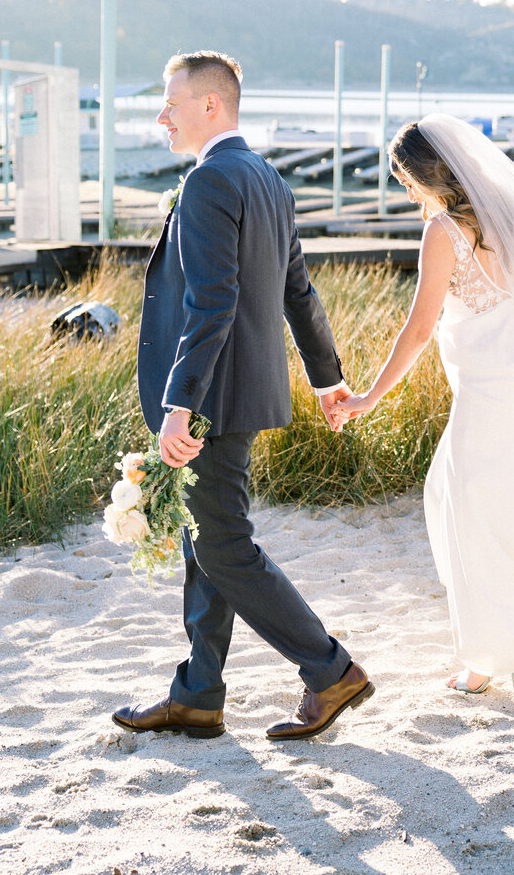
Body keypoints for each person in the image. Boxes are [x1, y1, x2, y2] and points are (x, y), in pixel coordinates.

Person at [112, 50, 374, 741]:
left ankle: (330, 670)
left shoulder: (207, 183)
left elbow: (213, 301)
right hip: (243, 392)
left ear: (211, 106)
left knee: (224, 544)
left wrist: (179, 402)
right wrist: (326, 377)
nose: (161, 115)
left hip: (211, 401)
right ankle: (198, 694)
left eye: (171, 103)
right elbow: (298, 292)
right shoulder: (268, 179)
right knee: (207, 539)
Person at [334, 114, 514, 692]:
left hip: (488, 398)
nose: (404, 190)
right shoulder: (507, 222)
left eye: (405, 179)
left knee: (472, 515)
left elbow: (416, 331)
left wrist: (367, 398)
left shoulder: (444, 232)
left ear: (429, 174)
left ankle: (485, 662)